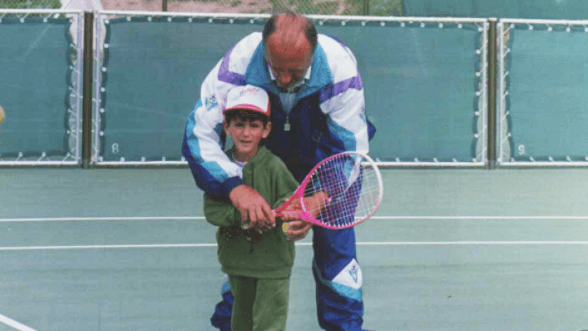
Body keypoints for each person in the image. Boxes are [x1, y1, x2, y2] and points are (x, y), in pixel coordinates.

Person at [182, 10, 375, 331]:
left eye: (295, 71)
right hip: (266, 160)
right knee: (251, 253)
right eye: (276, 68)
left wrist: (318, 199)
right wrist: (235, 187)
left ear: (312, 55)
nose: (284, 80)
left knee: (336, 259)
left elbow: (349, 150)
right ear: (263, 48)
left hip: (327, 165)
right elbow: (198, 134)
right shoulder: (238, 66)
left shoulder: (341, 70)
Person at [204, 85, 300, 331]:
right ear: (227, 127)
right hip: (237, 262)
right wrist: (245, 214)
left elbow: (292, 201)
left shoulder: (275, 166)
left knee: (269, 323)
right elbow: (212, 210)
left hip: (273, 263)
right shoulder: (219, 166)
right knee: (241, 322)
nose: (245, 134)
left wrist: (285, 216)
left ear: (266, 130)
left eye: (254, 126)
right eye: (238, 125)